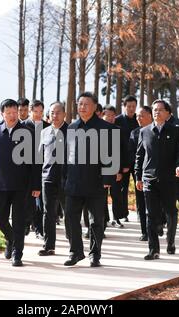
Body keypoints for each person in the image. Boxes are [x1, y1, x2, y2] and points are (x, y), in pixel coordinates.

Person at [0, 99, 41, 267]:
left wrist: (36, 185)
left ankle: (18, 254)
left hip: (22, 186)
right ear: (2, 114)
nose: (12, 115)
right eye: (8, 113)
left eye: (14, 112)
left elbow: (36, 161)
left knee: (19, 220)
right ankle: (11, 238)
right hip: (1, 184)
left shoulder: (28, 132)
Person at [63, 92, 117, 268]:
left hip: (97, 182)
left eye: (86, 104)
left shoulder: (106, 128)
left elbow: (112, 155)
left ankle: (95, 254)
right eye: (79, 104)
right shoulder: (71, 128)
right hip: (74, 182)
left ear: (95, 107)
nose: (82, 107)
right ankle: (76, 252)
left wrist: (108, 178)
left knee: (95, 221)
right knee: (71, 218)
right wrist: (64, 179)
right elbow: (66, 156)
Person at [134, 100, 179, 260]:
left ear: (168, 114)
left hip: (169, 179)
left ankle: (170, 242)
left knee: (170, 211)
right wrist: (138, 176)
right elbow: (139, 156)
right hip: (149, 178)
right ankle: (153, 250)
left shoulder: (175, 131)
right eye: (154, 110)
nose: (157, 112)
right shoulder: (144, 132)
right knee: (151, 214)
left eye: (160, 110)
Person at [38, 102, 68, 256]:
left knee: (69, 213)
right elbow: (39, 157)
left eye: (57, 113)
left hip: (67, 180)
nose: (54, 116)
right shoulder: (44, 133)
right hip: (48, 179)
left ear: (64, 114)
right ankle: (49, 245)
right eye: (51, 113)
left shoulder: (72, 131)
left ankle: (73, 244)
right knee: (48, 213)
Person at [23, 100, 50, 238]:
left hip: (43, 169)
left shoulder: (48, 127)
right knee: (27, 200)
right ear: (30, 111)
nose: (39, 114)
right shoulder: (22, 126)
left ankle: (39, 228)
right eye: (36, 112)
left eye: (41, 112)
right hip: (26, 170)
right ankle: (26, 224)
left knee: (41, 200)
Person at [102, 105, 129, 228]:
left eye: (113, 115)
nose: (111, 118)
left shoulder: (119, 130)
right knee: (101, 196)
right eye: (109, 115)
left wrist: (120, 170)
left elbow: (123, 151)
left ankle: (116, 218)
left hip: (115, 169)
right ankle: (103, 219)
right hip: (100, 170)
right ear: (103, 115)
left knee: (117, 195)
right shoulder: (98, 130)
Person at [129, 106, 153, 241]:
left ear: (150, 115)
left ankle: (157, 225)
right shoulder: (135, 133)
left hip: (156, 173)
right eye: (137, 116)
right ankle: (145, 231)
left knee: (156, 202)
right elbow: (132, 154)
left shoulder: (157, 130)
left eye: (141, 115)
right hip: (140, 173)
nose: (138, 118)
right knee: (141, 202)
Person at [115, 95, 140, 222]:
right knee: (122, 189)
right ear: (124, 107)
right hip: (123, 161)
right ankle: (123, 213)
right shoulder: (117, 120)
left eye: (134, 107)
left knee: (139, 187)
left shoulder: (139, 120)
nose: (131, 109)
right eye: (129, 106)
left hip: (137, 161)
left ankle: (141, 213)